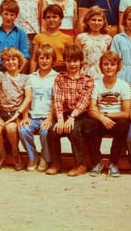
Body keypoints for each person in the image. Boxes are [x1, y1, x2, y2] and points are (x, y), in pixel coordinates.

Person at [45, 45, 94, 176]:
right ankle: (56, 163)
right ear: (65, 62)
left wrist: (72, 117)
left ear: (81, 62)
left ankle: (80, 164)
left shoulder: (87, 80)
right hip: (63, 114)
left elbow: (84, 101)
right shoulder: (60, 78)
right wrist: (60, 119)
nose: (72, 64)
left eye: (75, 61)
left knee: (73, 130)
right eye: (69, 61)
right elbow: (58, 99)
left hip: (80, 115)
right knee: (53, 130)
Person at [82, 51, 130, 177]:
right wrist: (102, 118)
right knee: (87, 127)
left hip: (116, 120)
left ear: (117, 67)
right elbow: (91, 109)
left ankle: (113, 163)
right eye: (106, 64)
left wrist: (107, 116)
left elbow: (126, 113)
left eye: (112, 64)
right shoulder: (96, 84)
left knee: (123, 126)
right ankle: (97, 162)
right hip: (100, 119)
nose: (109, 67)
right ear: (101, 66)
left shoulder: (123, 86)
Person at [0, 47, 31, 171]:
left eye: (13, 59)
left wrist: (18, 114)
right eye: (7, 60)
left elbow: (28, 98)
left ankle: (16, 154)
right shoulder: (0, 75)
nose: (11, 62)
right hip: (0, 112)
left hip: (15, 113)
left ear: (19, 61)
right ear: (3, 62)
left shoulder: (25, 78)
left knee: (11, 129)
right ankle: (1, 154)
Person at [19, 44, 58, 171]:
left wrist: (49, 118)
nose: (44, 61)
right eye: (41, 58)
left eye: (47, 58)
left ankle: (45, 158)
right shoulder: (31, 77)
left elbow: (55, 100)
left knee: (46, 132)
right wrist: (25, 117)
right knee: (23, 129)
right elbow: (27, 98)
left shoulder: (57, 77)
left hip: (48, 117)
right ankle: (33, 156)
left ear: (53, 61)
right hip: (33, 116)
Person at [0, 0, 29, 73]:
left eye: (12, 15)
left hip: (15, 68)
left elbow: (25, 56)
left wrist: (17, 73)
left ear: (16, 16)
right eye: (6, 14)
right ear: (0, 13)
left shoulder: (21, 33)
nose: (8, 18)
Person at [30, 4, 73, 73]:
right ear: (44, 19)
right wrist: (31, 76)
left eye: (54, 17)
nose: (51, 20)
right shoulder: (38, 37)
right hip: (42, 69)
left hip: (60, 71)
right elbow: (34, 60)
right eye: (48, 17)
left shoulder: (67, 38)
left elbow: (70, 60)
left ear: (60, 19)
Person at [75, 6, 112, 81]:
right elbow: (76, 58)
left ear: (103, 22)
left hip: (101, 73)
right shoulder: (81, 37)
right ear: (88, 21)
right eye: (93, 20)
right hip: (85, 72)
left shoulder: (108, 39)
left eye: (99, 20)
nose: (96, 23)